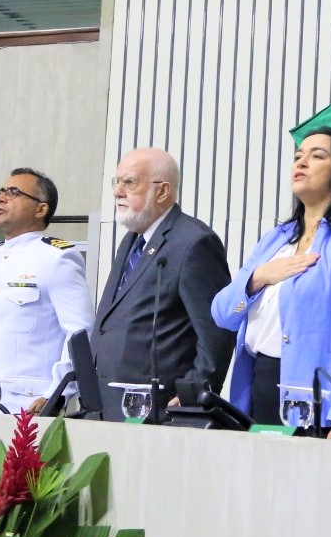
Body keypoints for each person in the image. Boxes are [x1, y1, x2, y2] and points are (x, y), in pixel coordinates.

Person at [211, 127, 331, 435]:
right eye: (298, 156)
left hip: (319, 402)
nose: (301, 162)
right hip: (258, 387)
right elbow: (222, 313)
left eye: (317, 156)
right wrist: (259, 277)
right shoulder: (275, 239)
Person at [92, 148, 235, 419]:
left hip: (157, 408)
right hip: (106, 403)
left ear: (162, 191)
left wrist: (194, 395)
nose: (118, 191)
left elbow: (216, 330)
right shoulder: (132, 240)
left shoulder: (194, 242)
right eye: (117, 181)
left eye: (130, 182)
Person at [0, 168, 94, 413]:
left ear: (40, 209)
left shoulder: (57, 257)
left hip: (28, 403)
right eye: (0, 192)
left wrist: (57, 394)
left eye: (13, 193)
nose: (1, 198)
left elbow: (80, 332)